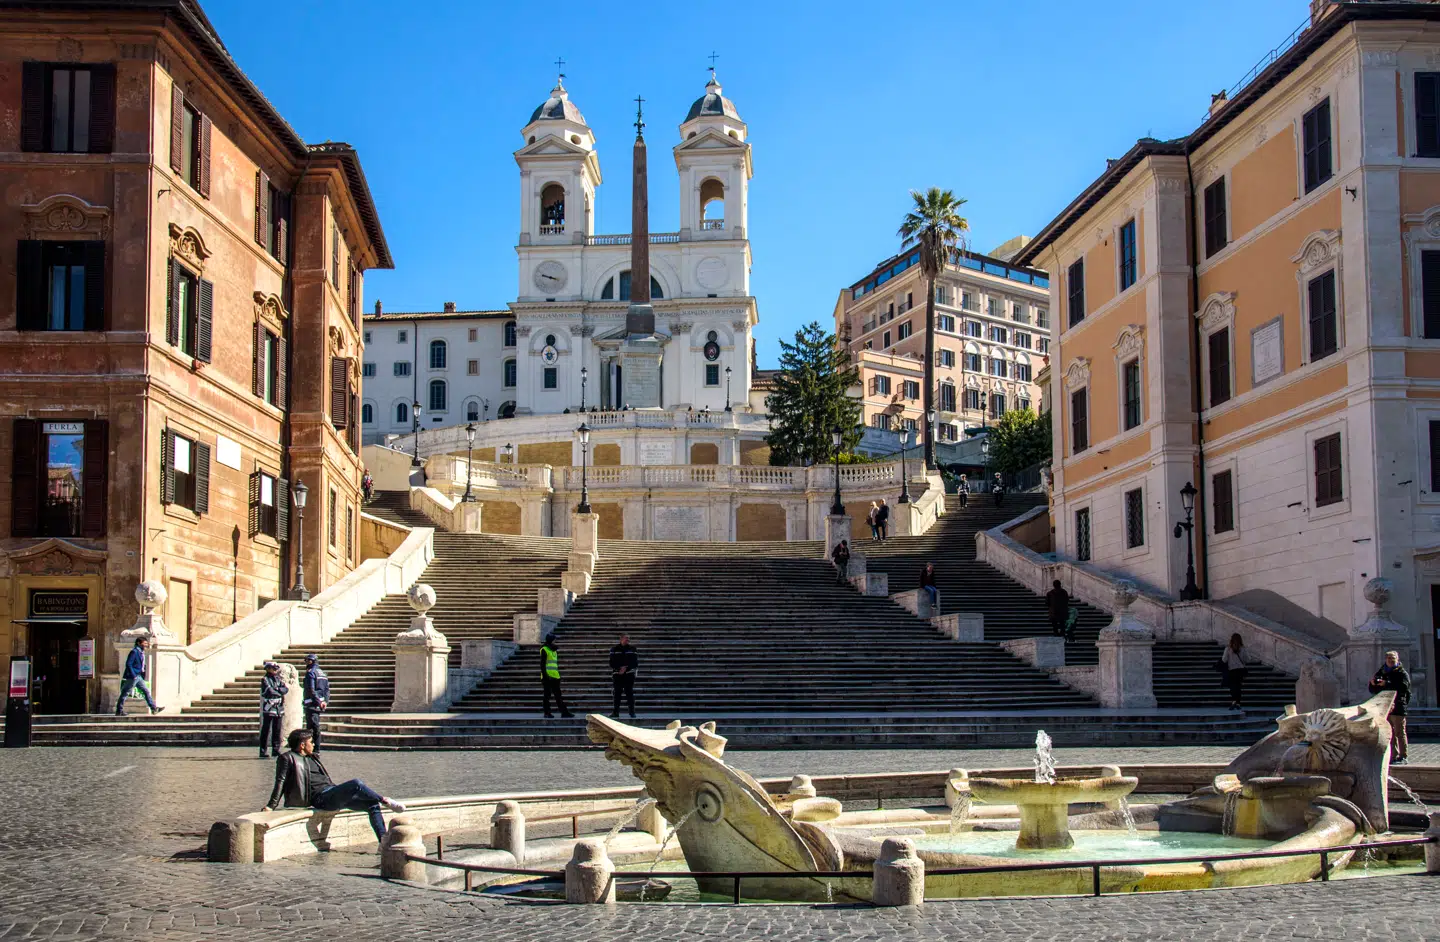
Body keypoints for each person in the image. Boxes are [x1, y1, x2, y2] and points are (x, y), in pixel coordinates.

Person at [263, 729, 405, 840]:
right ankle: (384, 800)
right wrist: (271, 806)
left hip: (331, 792)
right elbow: (280, 781)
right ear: (302, 745)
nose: (313, 744)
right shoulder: (287, 758)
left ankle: (383, 842)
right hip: (321, 798)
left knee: (372, 804)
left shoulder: (313, 757)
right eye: (311, 742)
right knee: (356, 783)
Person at [1369, 650, 1411, 764]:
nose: (1391, 660)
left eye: (1393, 658)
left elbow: (1403, 687)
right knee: (1389, 732)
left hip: (1398, 706)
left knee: (1399, 732)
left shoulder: (1402, 673)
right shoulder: (1382, 671)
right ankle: (1393, 755)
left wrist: (1387, 683)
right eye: (1389, 658)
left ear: (1397, 659)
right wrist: (1373, 684)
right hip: (1385, 706)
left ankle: (1403, 756)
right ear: (1385, 660)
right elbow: (1373, 690)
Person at [115, 637, 163, 715]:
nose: (146, 645)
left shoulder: (141, 652)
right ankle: (119, 710)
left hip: (138, 676)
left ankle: (154, 709)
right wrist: (133, 675)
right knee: (125, 693)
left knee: (146, 691)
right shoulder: (134, 652)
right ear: (139, 643)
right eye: (144, 643)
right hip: (133, 677)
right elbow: (128, 664)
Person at [259, 661, 287, 759]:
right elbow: (270, 691)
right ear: (268, 669)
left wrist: (278, 690)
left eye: (276, 668)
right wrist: (279, 691)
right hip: (269, 706)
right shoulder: (265, 679)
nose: (275, 670)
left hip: (278, 707)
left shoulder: (278, 679)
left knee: (277, 729)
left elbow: (285, 689)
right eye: (273, 668)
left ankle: (276, 749)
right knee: (266, 729)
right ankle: (263, 751)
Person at [540, 635, 574, 718]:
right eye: (554, 640)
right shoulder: (544, 649)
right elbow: (542, 664)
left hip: (555, 676)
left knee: (558, 695)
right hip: (547, 676)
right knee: (547, 695)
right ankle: (547, 713)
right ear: (551, 640)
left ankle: (564, 712)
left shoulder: (554, 650)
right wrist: (545, 675)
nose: (555, 641)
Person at [302, 654, 329, 752]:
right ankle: (315, 748)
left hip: (311, 703)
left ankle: (314, 749)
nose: (306, 663)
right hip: (319, 703)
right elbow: (327, 690)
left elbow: (311, 690)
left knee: (312, 727)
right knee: (315, 726)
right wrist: (325, 701)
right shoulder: (322, 673)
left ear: (311, 661)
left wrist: (318, 701)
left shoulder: (311, 673)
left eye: (306, 661)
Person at [609, 633, 639, 720]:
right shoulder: (614, 649)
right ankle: (615, 712)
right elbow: (611, 662)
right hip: (617, 674)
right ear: (621, 639)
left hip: (629, 674)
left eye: (628, 638)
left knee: (629, 693)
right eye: (626, 638)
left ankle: (632, 712)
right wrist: (619, 669)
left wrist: (626, 668)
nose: (628, 640)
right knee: (617, 693)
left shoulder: (633, 649)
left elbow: (635, 662)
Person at [1222, 633, 1252, 711]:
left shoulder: (1228, 649)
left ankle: (1234, 701)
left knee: (1232, 687)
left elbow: (1224, 660)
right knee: (1238, 686)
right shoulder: (1243, 648)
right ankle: (1238, 703)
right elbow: (1248, 659)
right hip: (1240, 670)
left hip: (1232, 670)